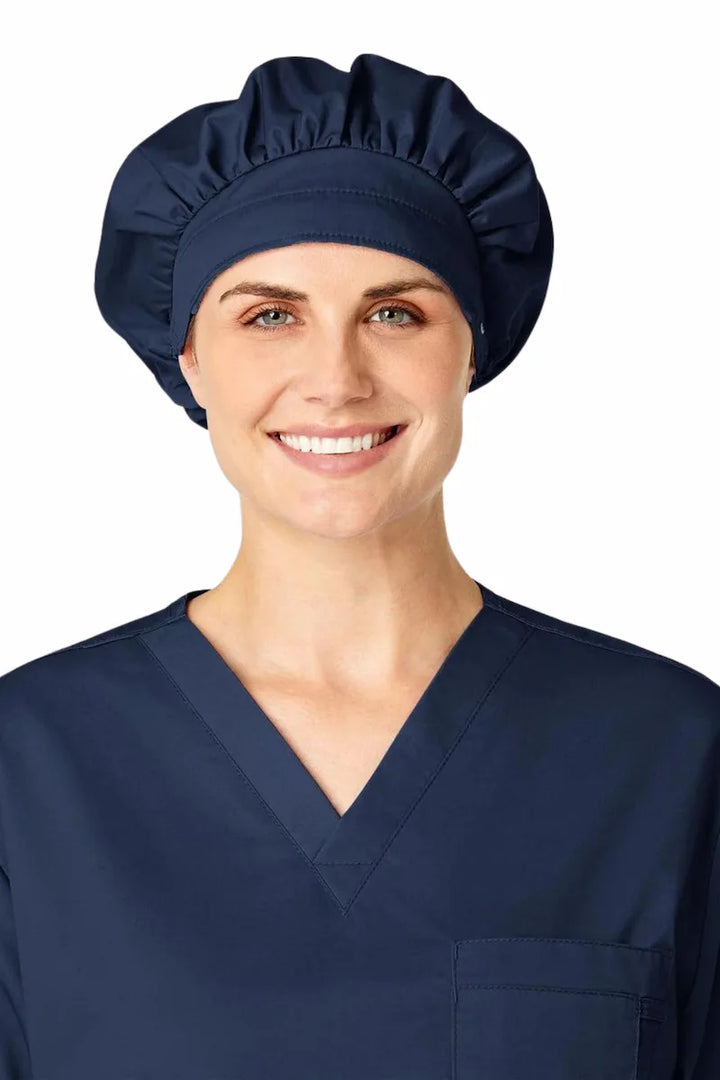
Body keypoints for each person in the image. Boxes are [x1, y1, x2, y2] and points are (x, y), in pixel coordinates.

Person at [0, 52, 717, 1079]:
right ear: (188, 358)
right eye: (269, 315)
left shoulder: (665, 755)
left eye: (395, 312)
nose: (334, 380)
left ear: (473, 343)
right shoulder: (31, 767)